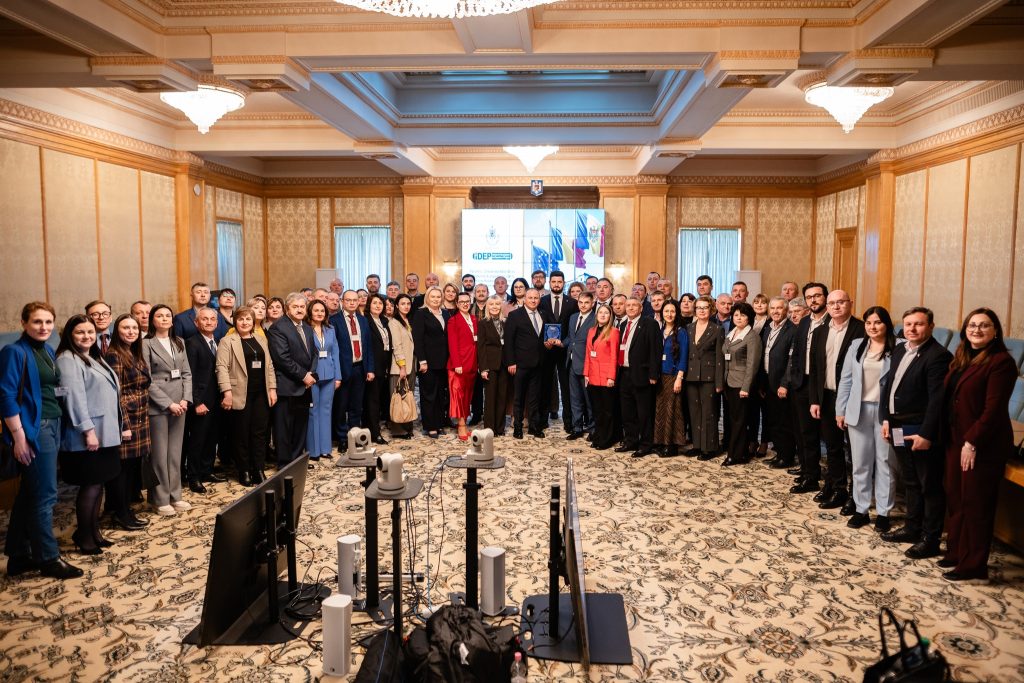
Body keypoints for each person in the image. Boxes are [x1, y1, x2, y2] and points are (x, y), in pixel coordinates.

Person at [2, 302, 83, 580]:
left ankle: (18, 556)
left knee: (30, 492)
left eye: (48, 322)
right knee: (46, 494)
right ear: (24, 323)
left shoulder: (47, 350)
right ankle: (48, 558)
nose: (43, 327)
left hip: (53, 423)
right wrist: (19, 438)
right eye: (37, 322)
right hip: (35, 430)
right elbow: (6, 396)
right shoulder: (14, 352)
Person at [941, 308, 1017, 582]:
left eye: (984, 325)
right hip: (955, 438)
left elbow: (993, 410)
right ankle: (956, 552)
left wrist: (972, 441)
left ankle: (973, 564)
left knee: (976, 504)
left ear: (995, 331)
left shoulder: (1001, 362)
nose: (977, 329)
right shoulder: (963, 356)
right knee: (956, 497)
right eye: (972, 325)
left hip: (981, 444)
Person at [879, 307, 953, 559]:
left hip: (920, 430)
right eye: (908, 324)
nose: (912, 328)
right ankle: (912, 528)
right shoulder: (900, 349)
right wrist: (885, 419)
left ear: (931, 326)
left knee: (929, 484)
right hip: (898, 426)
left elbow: (937, 401)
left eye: (918, 324)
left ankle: (930, 539)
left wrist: (926, 434)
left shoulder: (938, 356)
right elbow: (889, 387)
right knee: (910, 480)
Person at [55, 315, 124, 555]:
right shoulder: (67, 359)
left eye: (90, 332)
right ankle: (84, 536)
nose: (86, 336)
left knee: (99, 482)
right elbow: (73, 398)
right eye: (80, 332)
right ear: (69, 335)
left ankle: (93, 532)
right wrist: (87, 431)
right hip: (88, 434)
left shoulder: (93, 356)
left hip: (105, 432)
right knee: (91, 485)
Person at [836, 306, 897, 532]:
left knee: (885, 463)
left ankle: (883, 512)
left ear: (886, 324)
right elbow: (846, 380)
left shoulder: (899, 347)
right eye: (869, 323)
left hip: (886, 414)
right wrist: (840, 409)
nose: (873, 327)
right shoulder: (856, 345)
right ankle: (861, 509)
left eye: (878, 322)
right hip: (858, 411)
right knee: (860, 463)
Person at [809, 289, 865, 512]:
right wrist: (814, 400)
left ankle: (855, 495)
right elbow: (815, 368)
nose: (836, 306)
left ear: (850, 303)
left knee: (854, 451)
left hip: (853, 398)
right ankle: (836, 487)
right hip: (826, 395)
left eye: (841, 302)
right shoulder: (820, 331)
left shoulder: (861, 329)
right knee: (832, 445)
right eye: (832, 303)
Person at [217, 307, 277, 485]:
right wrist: (226, 392)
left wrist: (272, 388)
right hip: (238, 393)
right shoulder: (227, 341)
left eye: (248, 319)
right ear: (235, 321)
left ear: (253, 321)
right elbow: (221, 368)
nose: (245, 322)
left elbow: (269, 366)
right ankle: (243, 470)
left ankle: (258, 469)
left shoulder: (260, 339)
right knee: (241, 434)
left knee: (259, 433)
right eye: (241, 319)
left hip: (261, 394)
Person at [142, 304, 192, 516]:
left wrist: (185, 399)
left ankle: (175, 495)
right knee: (159, 455)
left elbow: (186, 373)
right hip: (159, 405)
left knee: (175, 453)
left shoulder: (179, 341)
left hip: (180, 404)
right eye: (159, 315)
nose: (164, 318)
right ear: (152, 320)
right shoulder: (145, 344)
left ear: (172, 320)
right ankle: (160, 499)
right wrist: (168, 403)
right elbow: (146, 379)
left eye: (168, 315)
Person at [104, 314, 151, 531]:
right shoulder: (114, 354)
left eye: (134, 328)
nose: (131, 332)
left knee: (132, 468)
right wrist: (124, 425)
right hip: (127, 419)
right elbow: (116, 393)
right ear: (117, 331)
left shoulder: (134, 351)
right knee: (122, 470)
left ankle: (126, 509)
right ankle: (120, 513)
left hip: (141, 414)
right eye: (125, 328)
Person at [788, 283, 830, 495]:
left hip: (823, 386)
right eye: (809, 297)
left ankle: (826, 479)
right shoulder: (804, 322)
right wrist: (795, 378)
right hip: (802, 383)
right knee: (805, 432)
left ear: (825, 297)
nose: (813, 300)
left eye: (817, 296)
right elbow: (796, 353)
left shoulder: (832, 323)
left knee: (824, 435)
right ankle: (809, 474)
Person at [268, 293, 317, 468]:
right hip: (287, 386)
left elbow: (314, 354)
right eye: (295, 307)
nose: (299, 310)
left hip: (305, 386)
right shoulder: (278, 328)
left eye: (302, 307)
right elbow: (282, 358)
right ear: (287, 309)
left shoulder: (308, 328)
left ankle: (296, 462)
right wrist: (304, 376)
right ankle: (284, 465)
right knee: (284, 429)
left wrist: (311, 374)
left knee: (300, 427)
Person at [615, 296, 662, 458]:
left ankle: (646, 444)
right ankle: (630, 441)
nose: (630, 308)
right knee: (627, 411)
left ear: (641, 308)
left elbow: (656, 350)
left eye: (634, 305)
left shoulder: (650, 324)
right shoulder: (623, 325)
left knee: (644, 412)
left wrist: (653, 374)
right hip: (624, 373)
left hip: (642, 374)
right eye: (628, 305)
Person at [183, 308, 222, 494]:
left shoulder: (218, 342)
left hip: (217, 400)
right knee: (197, 440)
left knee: (212, 438)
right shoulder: (192, 343)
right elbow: (189, 375)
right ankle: (194, 477)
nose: (209, 322)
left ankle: (207, 471)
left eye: (212, 319)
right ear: (196, 323)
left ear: (217, 323)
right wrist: (196, 402)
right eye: (204, 319)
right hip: (201, 401)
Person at [331, 290, 375, 445]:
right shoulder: (334, 320)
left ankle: (354, 436)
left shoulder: (363, 320)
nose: (351, 303)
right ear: (342, 301)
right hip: (342, 369)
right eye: (348, 300)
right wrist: (336, 373)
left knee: (356, 406)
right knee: (341, 406)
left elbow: (368, 346)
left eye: (354, 300)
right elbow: (332, 349)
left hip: (360, 368)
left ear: (358, 302)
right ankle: (343, 438)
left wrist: (370, 368)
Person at [504, 289, 550, 439]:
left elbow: (544, 337)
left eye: (536, 298)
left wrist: (549, 344)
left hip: (539, 364)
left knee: (535, 397)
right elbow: (509, 341)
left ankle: (534, 427)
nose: (533, 300)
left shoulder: (543, 314)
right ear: (524, 298)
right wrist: (511, 362)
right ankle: (518, 427)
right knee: (519, 398)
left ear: (539, 299)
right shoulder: (515, 315)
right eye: (530, 297)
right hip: (520, 364)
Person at [759, 297, 798, 470]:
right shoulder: (768, 328)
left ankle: (786, 456)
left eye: (779, 308)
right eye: (773, 308)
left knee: (784, 422)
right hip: (768, 381)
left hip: (782, 384)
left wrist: (784, 384)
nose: (775, 311)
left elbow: (791, 361)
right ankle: (779, 453)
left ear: (786, 310)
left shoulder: (792, 330)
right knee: (773, 420)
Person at [722, 303, 762, 466]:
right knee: (734, 419)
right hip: (729, 382)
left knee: (739, 421)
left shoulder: (752, 337)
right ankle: (742, 451)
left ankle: (734, 455)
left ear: (749, 318)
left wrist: (746, 387)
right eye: (736, 315)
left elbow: (752, 365)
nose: (738, 318)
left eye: (743, 315)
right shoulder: (732, 333)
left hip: (741, 385)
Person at [686, 295, 725, 460]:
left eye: (705, 307)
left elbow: (719, 358)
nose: (701, 310)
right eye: (699, 308)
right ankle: (697, 445)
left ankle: (709, 448)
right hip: (691, 375)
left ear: (711, 309)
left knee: (709, 413)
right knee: (694, 412)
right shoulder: (688, 328)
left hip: (709, 377)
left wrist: (719, 382)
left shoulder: (717, 329)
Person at [540, 270, 577, 432]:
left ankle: (569, 422)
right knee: (545, 386)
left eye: (559, 282)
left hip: (564, 351)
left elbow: (573, 328)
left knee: (566, 387)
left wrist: (564, 343)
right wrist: (544, 342)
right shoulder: (542, 301)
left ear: (563, 283)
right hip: (546, 351)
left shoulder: (572, 303)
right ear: (549, 283)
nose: (556, 284)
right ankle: (542, 421)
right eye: (553, 282)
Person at [306, 300, 341, 462]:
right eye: (316, 310)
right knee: (313, 411)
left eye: (322, 311)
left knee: (326, 411)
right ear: (310, 312)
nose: (319, 313)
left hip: (329, 374)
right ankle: (313, 450)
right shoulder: (306, 329)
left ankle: (325, 449)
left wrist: (338, 376)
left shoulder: (330, 329)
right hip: (312, 375)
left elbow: (335, 353)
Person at [653, 300, 689, 457]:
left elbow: (684, 357)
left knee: (672, 410)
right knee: (661, 409)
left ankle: (671, 445)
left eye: (672, 311)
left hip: (674, 376)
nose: (669, 314)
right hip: (660, 376)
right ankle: (661, 442)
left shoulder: (681, 332)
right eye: (666, 311)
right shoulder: (660, 330)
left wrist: (679, 377)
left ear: (677, 313)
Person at [412, 286, 449, 438]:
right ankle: (430, 426)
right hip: (428, 361)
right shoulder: (421, 314)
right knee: (429, 395)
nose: (435, 299)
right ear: (427, 298)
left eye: (438, 297)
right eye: (432, 296)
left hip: (444, 362)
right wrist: (422, 360)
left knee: (440, 394)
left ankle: (439, 424)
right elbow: (418, 339)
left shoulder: (445, 313)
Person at [584, 304, 620, 451]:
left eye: (606, 313)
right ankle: (598, 436)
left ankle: (607, 439)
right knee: (597, 410)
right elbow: (588, 354)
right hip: (593, 376)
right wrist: (586, 374)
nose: (603, 315)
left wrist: (611, 377)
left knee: (607, 411)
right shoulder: (591, 331)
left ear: (610, 316)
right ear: (597, 315)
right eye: (601, 312)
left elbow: (614, 357)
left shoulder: (614, 332)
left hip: (606, 377)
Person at [564, 291, 596, 439]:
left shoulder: (596, 319)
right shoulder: (573, 317)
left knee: (589, 400)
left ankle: (593, 429)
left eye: (586, 303)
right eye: (580, 302)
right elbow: (571, 339)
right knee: (575, 398)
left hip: (588, 365)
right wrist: (560, 343)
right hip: (572, 363)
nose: (583, 305)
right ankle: (577, 428)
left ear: (592, 303)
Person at [447, 292, 478, 440]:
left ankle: (464, 421)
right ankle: (461, 426)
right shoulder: (453, 320)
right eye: (462, 302)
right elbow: (452, 344)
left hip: (472, 363)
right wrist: (457, 364)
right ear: (457, 304)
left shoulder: (474, 319)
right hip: (458, 365)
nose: (465, 304)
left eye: (467, 301)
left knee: (467, 395)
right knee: (458, 396)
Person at [388, 294, 417, 439]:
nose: (406, 306)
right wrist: (402, 367)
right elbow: (397, 346)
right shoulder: (394, 322)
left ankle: (407, 426)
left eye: (408, 303)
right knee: (398, 397)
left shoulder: (407, 320)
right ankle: (398, 430)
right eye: (403, 303)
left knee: (408, 396)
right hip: (400, 367)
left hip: (411, 365)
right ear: (397, 306)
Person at [364, 295, 391, 445]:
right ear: (369, 305)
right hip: (372, 367)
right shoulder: (365, 321)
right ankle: (375, 433)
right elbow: (367, 346)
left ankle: (372, 428)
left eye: (380, 303)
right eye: (374, 303)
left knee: (378, 400)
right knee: (372, 401)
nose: (378, 305)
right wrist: (370, 368)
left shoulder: (384, 321)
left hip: (384, 366)